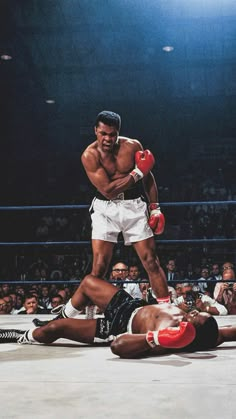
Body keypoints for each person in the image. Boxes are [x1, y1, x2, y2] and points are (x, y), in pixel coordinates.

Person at [33, 110, 169, 327]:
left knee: (151, 261)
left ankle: (167, 313)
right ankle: (65, 318)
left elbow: (148, 176)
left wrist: (155, 208)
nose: (107, 139)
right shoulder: (89, 155)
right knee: (99, 269)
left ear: (118, 133)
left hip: (134, 206)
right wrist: (136, 174)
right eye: (103, 133)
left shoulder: (132, 146)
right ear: (95, 131)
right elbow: (107, 190)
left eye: (112, 134)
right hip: (105, 209)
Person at [0, 274, 236, 359]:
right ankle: (58, 314)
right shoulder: (213, 333)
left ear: (191, 330)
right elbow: (232, 331)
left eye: (192, 317)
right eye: (196, 312)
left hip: (118, 325)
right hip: (131, 304)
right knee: (89, 282)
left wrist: (158, 338)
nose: (192, 312)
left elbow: (118, 345)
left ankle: (23, 335)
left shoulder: (170, 341)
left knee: (55, 330)